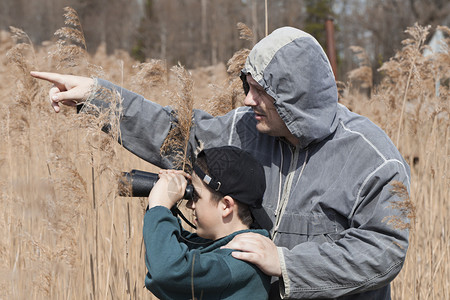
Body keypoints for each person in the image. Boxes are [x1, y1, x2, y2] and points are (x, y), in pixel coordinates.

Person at [31, 26, 411, 299]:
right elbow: (175, 134)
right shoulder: (244, 129)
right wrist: (99, 98)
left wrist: (287, 263)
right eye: (247, 87)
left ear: (294, 97)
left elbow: (384, 250)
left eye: (259, 91)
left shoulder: (372, 160)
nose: (246, 100)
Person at [143, 145, 270, 299]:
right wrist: (166, 205)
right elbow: (172, 249)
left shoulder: (239, 261)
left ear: (226, 206)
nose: (190, 204)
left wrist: (160, 207)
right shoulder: (221, 247)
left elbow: (165, 271)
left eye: (195, 196)